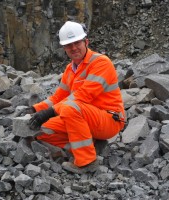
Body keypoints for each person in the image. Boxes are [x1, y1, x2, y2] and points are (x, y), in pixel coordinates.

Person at [25, 21, 125, 174]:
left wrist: (49, 112)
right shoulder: (70, 69)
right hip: (83, 118)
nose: (73, 48)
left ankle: (87, 162)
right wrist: (35, 109)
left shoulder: (101, 63)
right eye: (68, 45)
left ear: (86, 42)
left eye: (77, 43)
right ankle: (88, 144)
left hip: (109, 119)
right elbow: (58, 96)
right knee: (40, 130)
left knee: (70, 108)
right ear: (64, 48)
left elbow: (84, 95)